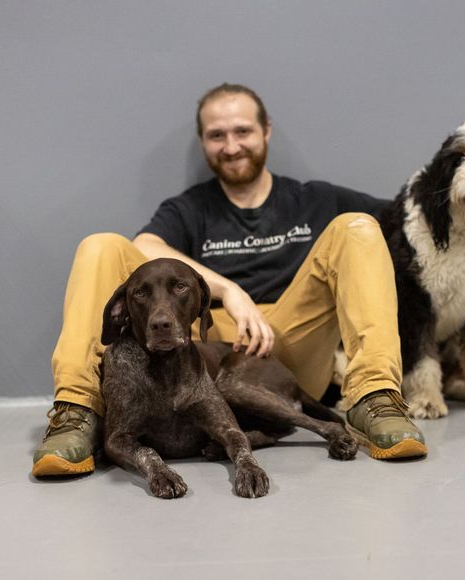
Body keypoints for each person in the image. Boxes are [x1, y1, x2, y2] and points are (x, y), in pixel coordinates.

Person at [32, 83, 427, 476]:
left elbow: (404, 216)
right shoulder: (190, 208)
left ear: (266, 131)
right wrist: (229, 291)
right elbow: (146, 246)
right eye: (217, 135)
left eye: (243, 132)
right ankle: (78, 409)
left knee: (357, 227)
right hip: (212, 340)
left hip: (292, 336)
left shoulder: (314, 198)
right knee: (101, 245)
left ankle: (376, 397)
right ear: (204, 142)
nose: (232, 145)